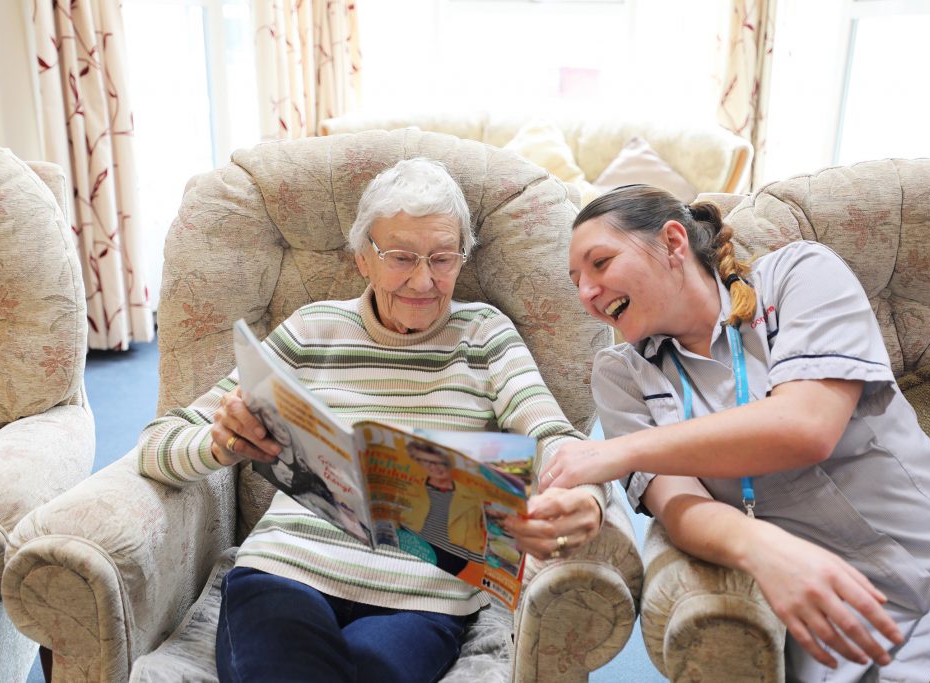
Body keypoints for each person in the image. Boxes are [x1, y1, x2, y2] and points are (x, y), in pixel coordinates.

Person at [138, 158, 605, 683]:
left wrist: (586, 495)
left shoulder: (485, 336)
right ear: (363, 258)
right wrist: (221, 443)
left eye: (443, 258)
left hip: (421, 596)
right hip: (286, 570)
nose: (424, 280)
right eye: (401, 258)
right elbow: (159, 444)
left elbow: (553, 436)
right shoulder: (313, 329)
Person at [544, 184, 930, 682]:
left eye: (600, 263)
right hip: (836, 620)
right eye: (575, 282)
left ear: (673, 242)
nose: (587, 293)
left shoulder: (800, 275)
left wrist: (615, 452)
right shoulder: (621, 376)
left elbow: (806, 427)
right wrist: (759, 547)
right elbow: (678, 504)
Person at [400, 440, 486, 575]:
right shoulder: (411, 487)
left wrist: (479, 572)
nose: (436, 467)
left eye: (441, 462)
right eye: (428, 462)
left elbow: (474, 536)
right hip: (409, 547)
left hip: (451, 560)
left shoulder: (471, 497)